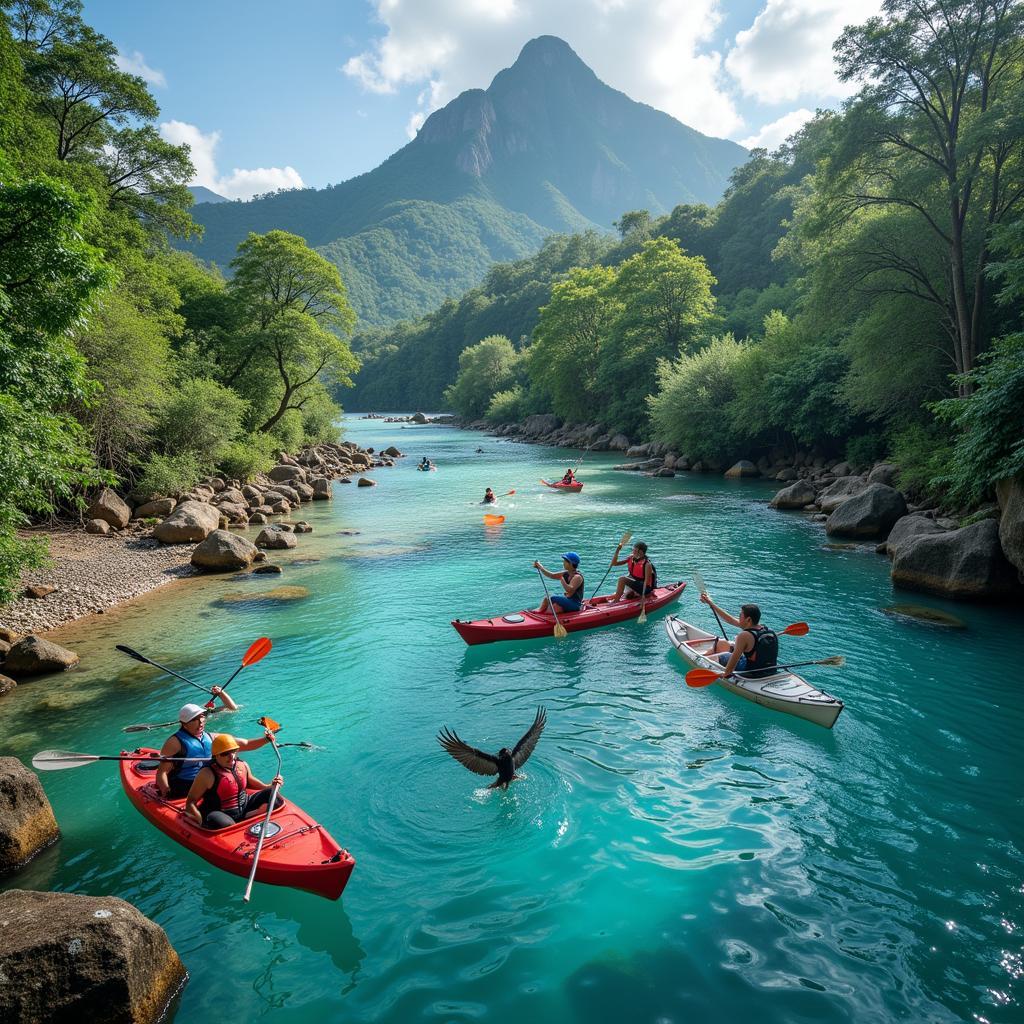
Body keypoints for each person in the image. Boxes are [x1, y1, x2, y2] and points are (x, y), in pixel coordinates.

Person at [156, 700, 271, 799]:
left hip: (209, 778)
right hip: (187, 784)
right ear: (184, 724)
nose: (200, 723)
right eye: (195, 720)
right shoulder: (174, 742)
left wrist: (266, 739)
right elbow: (162, 772)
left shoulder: (211, 737)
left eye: (202, 718)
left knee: (238, 766)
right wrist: (166, 792)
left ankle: (264, 788)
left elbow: (245, 744)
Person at [184, 734, 283, 830]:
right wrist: (199, 822)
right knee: (224, 824)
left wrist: (270, 786)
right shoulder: (206, 774)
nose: (231, 757)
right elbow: (190, 802)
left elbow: (249, 781)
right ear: (216, 756)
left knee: (274, 796)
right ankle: (237, 821)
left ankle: (247, 816)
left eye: (233, 751)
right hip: (220, 812)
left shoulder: (242, 765)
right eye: (225, 754)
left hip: (244, 805)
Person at [699, 594, 779, 679]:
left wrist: (726, 673)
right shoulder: (770, 631)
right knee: (729, 645)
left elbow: (734, 658)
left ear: (748, 620)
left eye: (740, 615)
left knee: (722, 656)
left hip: (750, 672)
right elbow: (730, 620)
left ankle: (701, 658)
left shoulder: (744, 635)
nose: (738, 618)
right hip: (770, 671)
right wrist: (711, 604)